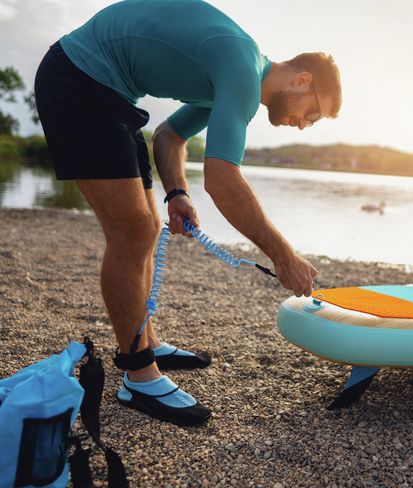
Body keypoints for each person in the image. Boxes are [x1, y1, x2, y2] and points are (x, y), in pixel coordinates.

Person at [34, 0, 342, 427]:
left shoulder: (235, 73)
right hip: (80, 76)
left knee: (147, 226)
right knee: (133, 232)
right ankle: (138, 374)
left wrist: (177, 191)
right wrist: (283, 255)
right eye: (313, 112)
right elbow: (221, 179)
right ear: (302, 80)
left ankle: (147, 341)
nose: (305, 125)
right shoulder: (240, 65)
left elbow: (170, 136)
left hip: (111, 90)